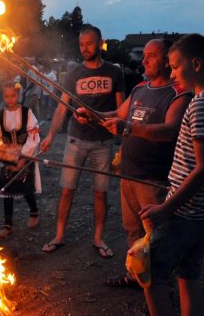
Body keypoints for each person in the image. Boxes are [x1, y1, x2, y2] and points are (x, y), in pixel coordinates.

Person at [140, 33, 204, 316]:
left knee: (150, 273)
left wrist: (164, 208)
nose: (171, 74)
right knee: (188, 273)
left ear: (195, 64)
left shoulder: (201, 105)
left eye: (174, 66)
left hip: (187, 212)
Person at [83, 39, 192, 288]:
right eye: (143, 55)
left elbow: (170, 130)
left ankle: (158, 288)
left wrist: (129, 128)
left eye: (150, 56)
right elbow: (117, 115)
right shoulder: (141, 88)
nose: (143, 60)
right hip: (128, 175)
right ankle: (137, 278)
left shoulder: (179, 93)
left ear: (167, 61)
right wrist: (93, 115)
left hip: (154, 178)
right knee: (132, 230)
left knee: (155, 236)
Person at [40, 25, 125, 256]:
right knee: (67, 190)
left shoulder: (115, 73)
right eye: (81, 44)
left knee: (100, 192)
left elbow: (121, 110)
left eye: (88, 43)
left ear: (100, 43)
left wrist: (118, 136)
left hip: (103, 143)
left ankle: (98, 238)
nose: (84, 48)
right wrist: (49, 135)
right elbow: (61, 108)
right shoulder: (74, 73)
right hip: (76, 140)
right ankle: (59, 235)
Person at [0, 81, 41, 237]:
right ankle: (8, 224)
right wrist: (7, 157)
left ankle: (34, 212)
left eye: (13, 96)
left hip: (25, 156)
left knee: (26, 187)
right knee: (6, 189)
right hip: (7, 159)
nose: (10, 99)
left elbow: (34, 137)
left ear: (18, 95)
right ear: (3, 97)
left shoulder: (27, 113)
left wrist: (22, 158)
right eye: (6, 96)